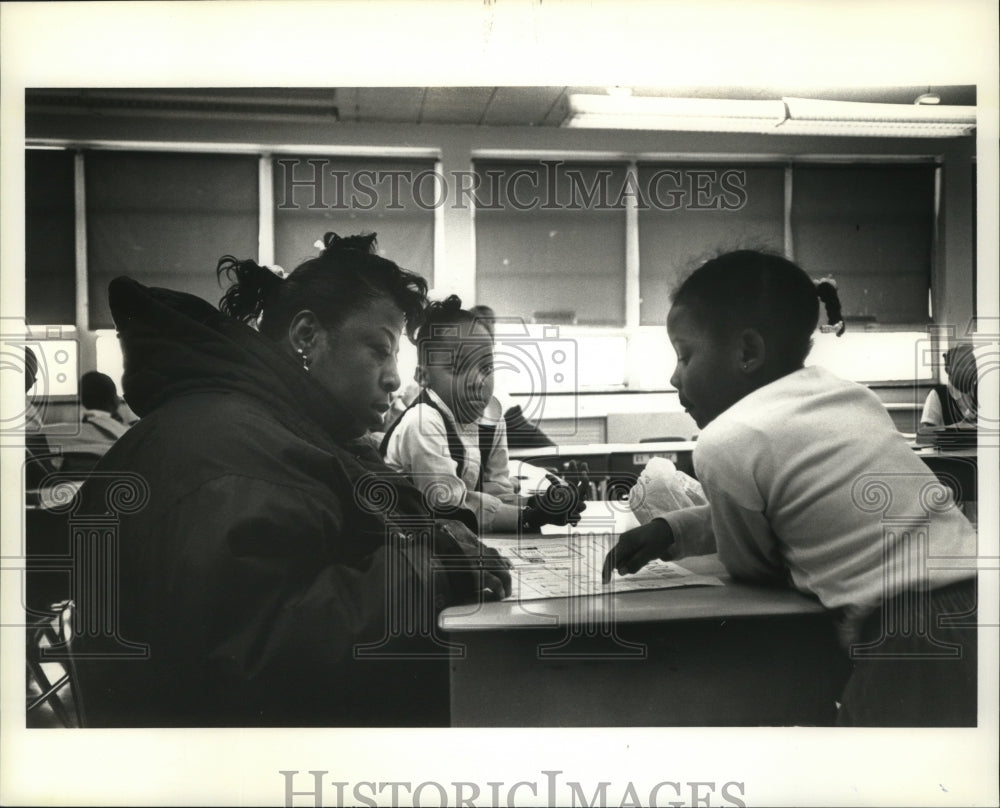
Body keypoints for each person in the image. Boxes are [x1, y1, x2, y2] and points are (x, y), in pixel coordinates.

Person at [74, 232, 510, 727]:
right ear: (307, 336)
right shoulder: (232, 444)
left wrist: (435, 541)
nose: (393, 378)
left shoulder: (289, 427)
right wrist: (432, 572)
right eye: (379, 350)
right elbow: (265, 653)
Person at [603, 250, 977, 726]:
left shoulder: (725, 440)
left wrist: (685, 534)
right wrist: (671, 529)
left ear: (747, 352)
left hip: (911, 635)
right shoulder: (852, 398)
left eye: (685, 354)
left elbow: (753, 566)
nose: (674, 376)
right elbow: (790, 510)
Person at [382, 295, 583, 533]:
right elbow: (447, 506)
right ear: (423, 376)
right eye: (458, 368)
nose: (478, 381)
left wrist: (540, 504)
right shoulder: (422, 421)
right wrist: (529, 516)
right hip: (403, 544)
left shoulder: (491, 418)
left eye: (486, 367)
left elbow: (495, 494)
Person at [469, 304, 555, 450]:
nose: (492, 326)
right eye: (489, 322)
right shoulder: (474, 351)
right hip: (504, 420)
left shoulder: (486, 351)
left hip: (509, 418)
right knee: (555, 455)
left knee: (555, 455)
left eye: (492, 322)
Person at [918, 342, 978, 433]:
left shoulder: (980, 392)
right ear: (948, 370)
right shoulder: (938, 394)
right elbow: (926, 432)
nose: (970, 369)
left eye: (972, 364)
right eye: (962, 365)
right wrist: (959, 427)